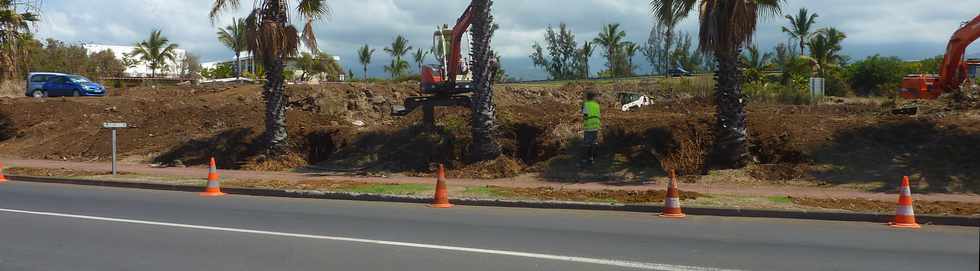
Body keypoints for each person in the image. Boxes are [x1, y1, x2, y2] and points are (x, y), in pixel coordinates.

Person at [581, 90, 601, 166]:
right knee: (593, 142)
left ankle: (585, 159)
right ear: (593, 97)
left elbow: (585, 115)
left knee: (587, 144)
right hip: (596, 126)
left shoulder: (585, 104)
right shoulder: (597, 105)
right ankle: (592, 158)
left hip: (588, 126)